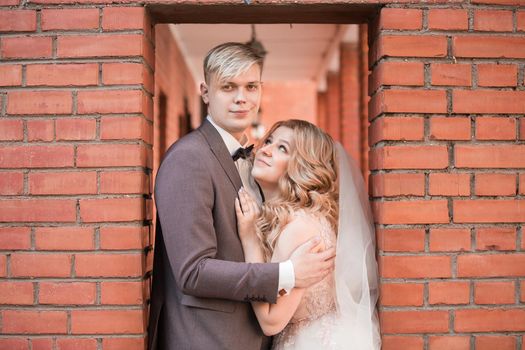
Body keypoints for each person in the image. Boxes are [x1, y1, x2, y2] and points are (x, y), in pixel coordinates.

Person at [147, 43, 336, 350]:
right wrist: (287, 273)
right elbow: (193, 272)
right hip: (206, 340)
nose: (241, 98)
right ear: (206, 92)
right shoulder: (189, 159)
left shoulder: (255, 162)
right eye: (228, 87)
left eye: (250, 86)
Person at [235, 119, 381, 350]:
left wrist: (249, 238)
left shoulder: (300, 228)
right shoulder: (297, 218)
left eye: (282, 148)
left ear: (302, 167)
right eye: (269, 141)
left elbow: (271, 322)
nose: (265, 150)